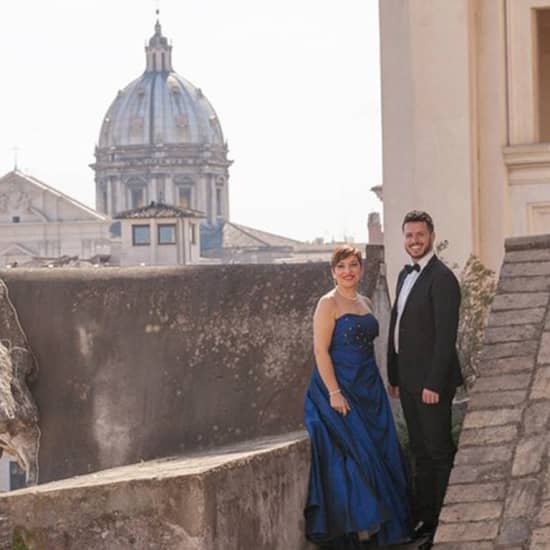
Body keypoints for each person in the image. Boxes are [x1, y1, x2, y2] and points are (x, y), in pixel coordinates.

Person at [304, 245, 412, 549]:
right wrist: (334, 393)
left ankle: (384, 525)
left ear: (361, 269)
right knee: (357, 452)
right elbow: (320, 351)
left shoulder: (364, 301)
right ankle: (362, 527)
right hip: (340, 387)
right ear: (333, 271)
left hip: (369, 387)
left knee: (380, 450)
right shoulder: (328, 304)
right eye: (341, 267)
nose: (348, 271)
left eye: (353, 265)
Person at [387, 210, 462, 550]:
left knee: (438, 452)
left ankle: (447, 521)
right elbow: (397, 327)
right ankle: (425, 521)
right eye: (409, 236)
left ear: (431, 236)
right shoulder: (404, 276)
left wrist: (433, 383)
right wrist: (393, 375)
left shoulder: (442, 278)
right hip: (408, 381)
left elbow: (446, 337)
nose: (414, 241)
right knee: (419, 451)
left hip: (432, 384)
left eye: (420, 235)